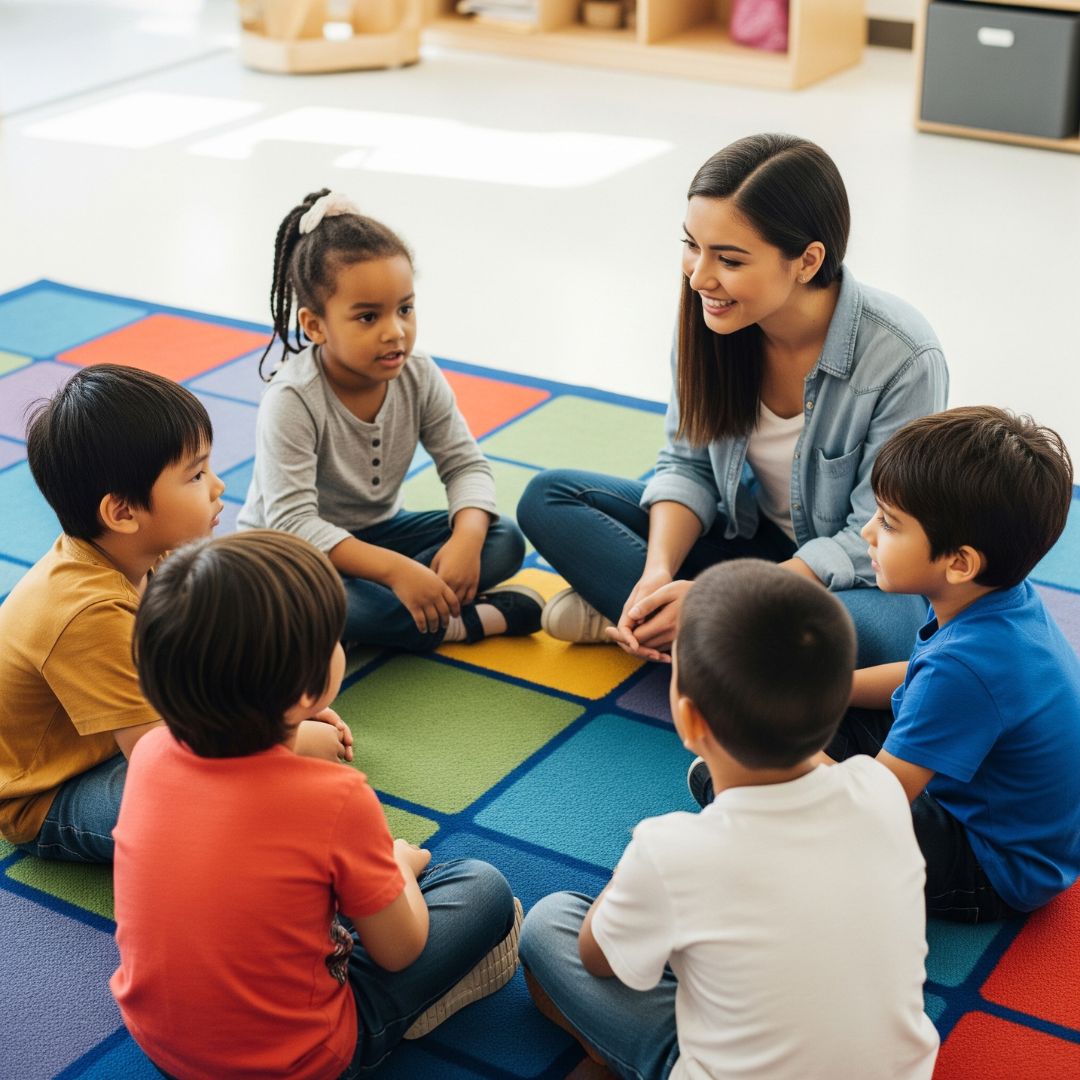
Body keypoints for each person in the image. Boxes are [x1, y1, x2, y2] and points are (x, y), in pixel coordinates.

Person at [518, 133, 948, 667]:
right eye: (692, 245)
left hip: (849, 581)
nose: (699, 277)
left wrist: (715, 594)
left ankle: (663, 624)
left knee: (879, 643)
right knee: (549, 497)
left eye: (730, 259)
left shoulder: (903, 356)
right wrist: (656, 571)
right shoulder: (713, 320)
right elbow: (687, 465)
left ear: (808, 261)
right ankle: (687, 626)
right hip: (746, 538)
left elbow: (876, 537)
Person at [112, 530, 522, 1079]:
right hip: (300, 1059)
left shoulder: (153, 753)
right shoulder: (336, 798)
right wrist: (398, 866)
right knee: (485, 889)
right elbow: (400, 950)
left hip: (161, 1041)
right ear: (306, 694)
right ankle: (405, 1017)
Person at [520, 560, 939, 1080]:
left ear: (690, 718)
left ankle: (618, 1056)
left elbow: (596, 956)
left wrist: (640, 869)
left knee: (546, 925)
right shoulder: (879, 791)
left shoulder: (670, 850)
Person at [0, 365, 349, 864]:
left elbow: (203, 664)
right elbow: (162, 767)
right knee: (230, 800)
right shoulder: (87, 612)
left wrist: (281, 712)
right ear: (122, 513)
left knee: (266, 774)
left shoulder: (151, 554)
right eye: (196, 474)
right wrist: (284, 740)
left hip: (129, 742)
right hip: (48, 795)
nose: (218, 486)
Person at [805, 406, 1078, 923]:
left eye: (888, 522)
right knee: (814, 709)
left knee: (744, 773)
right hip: (1008, 819)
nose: (867, 533)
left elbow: (871, 809)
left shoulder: (966, 667)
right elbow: (915, 679)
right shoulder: (994, 597)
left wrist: (762, 748)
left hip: (989, 868)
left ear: (959, 562)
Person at [238, 188, 542, 651]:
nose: (395, 331)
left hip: (379, 536)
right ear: (315, 325)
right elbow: (294, 522)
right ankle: (462, 622)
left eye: (405, 308)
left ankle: (413, 606)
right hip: (291, 555)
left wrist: (465, 538)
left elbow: (465, 465)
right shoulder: (293, 399)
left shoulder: (418, 374)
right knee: (308, 600)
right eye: (367, 317)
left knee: (502, 538)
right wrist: (399, 572)